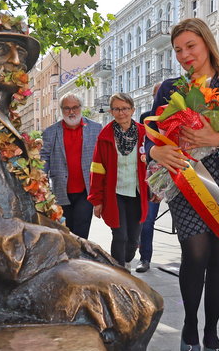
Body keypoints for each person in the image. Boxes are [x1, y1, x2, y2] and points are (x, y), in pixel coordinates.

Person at [0, 13, 162, 351]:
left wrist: (72, 238)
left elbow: (30, 207)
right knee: (124, 303)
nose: (16, 62)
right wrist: (66, 246)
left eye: (22, 54)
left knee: (145, 298)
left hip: (27, 254)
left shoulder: (13, 126)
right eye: (1, 50)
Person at [145, 18, 219, 351]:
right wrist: (154, 151)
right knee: (194, 254)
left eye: (190, 46)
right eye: (178, 50)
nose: (184, 54)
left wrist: (218, 138)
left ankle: (212, 332)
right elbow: (152, 126)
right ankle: (190, 326)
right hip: (187, 179)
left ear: (206, 43)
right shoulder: (169, 88)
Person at [88, 93, 149, 268]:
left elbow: (154, 164)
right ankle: (118, 270)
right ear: (111, 111)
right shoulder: (105, 136)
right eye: (116, 109)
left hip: (137, 192)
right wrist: (96, 201)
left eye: (125, 108)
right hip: (115, 194)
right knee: (119, 235)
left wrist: (156, 188)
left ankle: (127, 259)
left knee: (133, 239)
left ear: (132, 110)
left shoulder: (144, 133)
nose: (121, 113)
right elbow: (97, 169)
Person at [40, 94, 102, 238]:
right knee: (65, 230)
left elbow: (103, 158)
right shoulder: (50, 132)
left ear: (81, 107)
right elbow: (44, 158)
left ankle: (79, 257)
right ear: (61, 110)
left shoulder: (95, 128)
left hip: (86, 190)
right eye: (67, 108)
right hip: (61, 190)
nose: (71, 112)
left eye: (75, 107)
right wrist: (42, 184)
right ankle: (68, 259)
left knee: (81, 229)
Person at [134, 85, 165, 273]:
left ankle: (145, 258)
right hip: (146, 175)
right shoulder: (146, 118)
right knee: (143, 219)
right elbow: (142, 145)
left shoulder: (179, 117)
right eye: (157, 95)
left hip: (169, 175)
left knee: (149, 220)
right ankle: (141, 255)